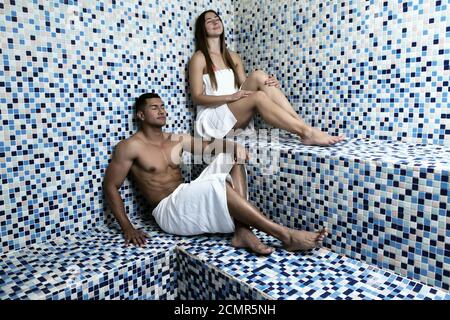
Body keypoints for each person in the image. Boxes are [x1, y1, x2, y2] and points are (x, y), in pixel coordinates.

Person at [103, 93, 328, 255]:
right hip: (168, 212)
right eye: (154, 107)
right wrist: (127, 227)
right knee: (215, 185)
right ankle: (285, 236)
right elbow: (110, 186)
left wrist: (232, 147)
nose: (162, 111)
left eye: (163, 106)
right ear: (140, 115)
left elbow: (210, 145)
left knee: (232, 158)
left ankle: (242, 231)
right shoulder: (129, 147)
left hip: (185, 195)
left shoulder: (176, 139)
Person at [189, 10, 345, 146]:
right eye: (209, 21)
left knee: (259, 76)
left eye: (217, 19)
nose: (215, 22)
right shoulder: (199, 58)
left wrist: (269, 84)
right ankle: (305, 132)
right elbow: (197, 97)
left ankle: (305, 127)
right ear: (202, 29)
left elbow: (245, 86)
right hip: (213, 119)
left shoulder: (233, 57)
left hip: (235, 113)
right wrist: (231, 96)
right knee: (258, 96)